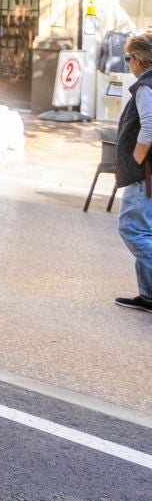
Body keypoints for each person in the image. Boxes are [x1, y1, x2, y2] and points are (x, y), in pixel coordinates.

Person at [112, 31, 152, 314]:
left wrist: (136, 161)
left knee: (131, 228)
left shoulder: (145, 88)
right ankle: (148, 295)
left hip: (144, 173)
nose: (128, 63)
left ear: (137, 59)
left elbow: (149, 128)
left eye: (128, 58)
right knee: (145, 230)